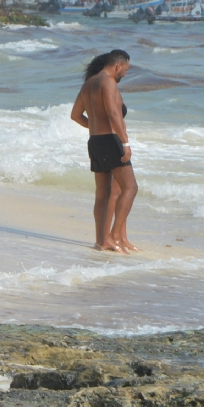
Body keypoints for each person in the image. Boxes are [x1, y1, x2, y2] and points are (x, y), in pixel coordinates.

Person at [70, 49, 138, 254]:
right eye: (125, 69)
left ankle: (104, 240)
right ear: (118, 66)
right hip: (111, 141)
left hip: (96, 141)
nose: (125, 74)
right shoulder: (107, 82)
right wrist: (125, 143)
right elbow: (113, 112)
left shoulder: (88, 84)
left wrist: (96, 129)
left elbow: (75, 115)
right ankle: (114, 236)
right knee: (130, 188)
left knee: (107, 193)